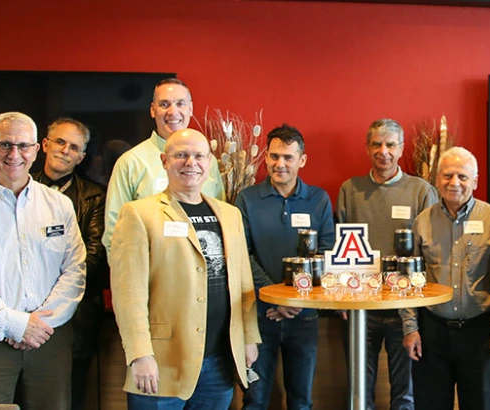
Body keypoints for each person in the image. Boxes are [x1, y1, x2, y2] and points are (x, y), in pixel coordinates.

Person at [0, 111, 87, 410]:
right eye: (5, 144)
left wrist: (37, 325)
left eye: (23, 146)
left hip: (50, 337)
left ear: (37, 150)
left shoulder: (59, 205)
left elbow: (74, 269)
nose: (14, 154)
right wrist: (16, 324)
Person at [110, 128, 260, 409]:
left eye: (199, 156)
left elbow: (243, 285)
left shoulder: (230, 215)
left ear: (209, 163)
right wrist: (140, 354)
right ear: (164, 160)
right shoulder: (139, 214)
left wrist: (249, 339)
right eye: (181, 155)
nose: (191, 163)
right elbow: (128, 294)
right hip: (162, 362)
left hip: (220, 360)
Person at [336, 118, 438, 410]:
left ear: (401, 148)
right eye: (376, 144)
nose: (384, 151)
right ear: (367, 149)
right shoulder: (350, 190)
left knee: (405, 393)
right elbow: (338, 246)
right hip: (360, 308)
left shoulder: (421, 190)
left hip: (404, 309)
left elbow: (428, 251)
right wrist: (341, 296)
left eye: (390, 144)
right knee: (358, 389)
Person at [400, 147, 490, 410]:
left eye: (462, 176)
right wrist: (410, 327)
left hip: (481, 334)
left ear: (475, 181)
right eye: (448, 175)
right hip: (431, 334)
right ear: (437, 179)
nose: (454, 183)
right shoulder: (422, 222)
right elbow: (408, 278)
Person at [236, 124, 334, 410]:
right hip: (259, 316)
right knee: (254, 399)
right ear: (265, 157)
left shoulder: (319, 200)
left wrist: (294, 300)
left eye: (288, 157)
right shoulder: (247, 199)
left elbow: (326, 253)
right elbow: (243, 253)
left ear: (301, 160)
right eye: (275, 156)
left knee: (301, 401)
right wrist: (274, 296)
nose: (280, 164)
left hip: (304, 317)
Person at [34, 117, 108, 410]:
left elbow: (93, 257)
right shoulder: (20, 189)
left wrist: (53, 296)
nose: (65, 150)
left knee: (71, 395)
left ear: (82, 156)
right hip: (23, 312)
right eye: (60, 142)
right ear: (44, 145)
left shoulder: (95, 196)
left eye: (74, 147)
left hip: (77, 315)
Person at [104, 78, 224, 254]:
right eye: (164, 104)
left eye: (180, 104)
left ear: (190, 109)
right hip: (154, 273)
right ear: (153, 110)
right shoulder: (130, 162)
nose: (172, 112)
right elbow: (115, 233)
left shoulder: (208, 161)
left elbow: (220, 217)